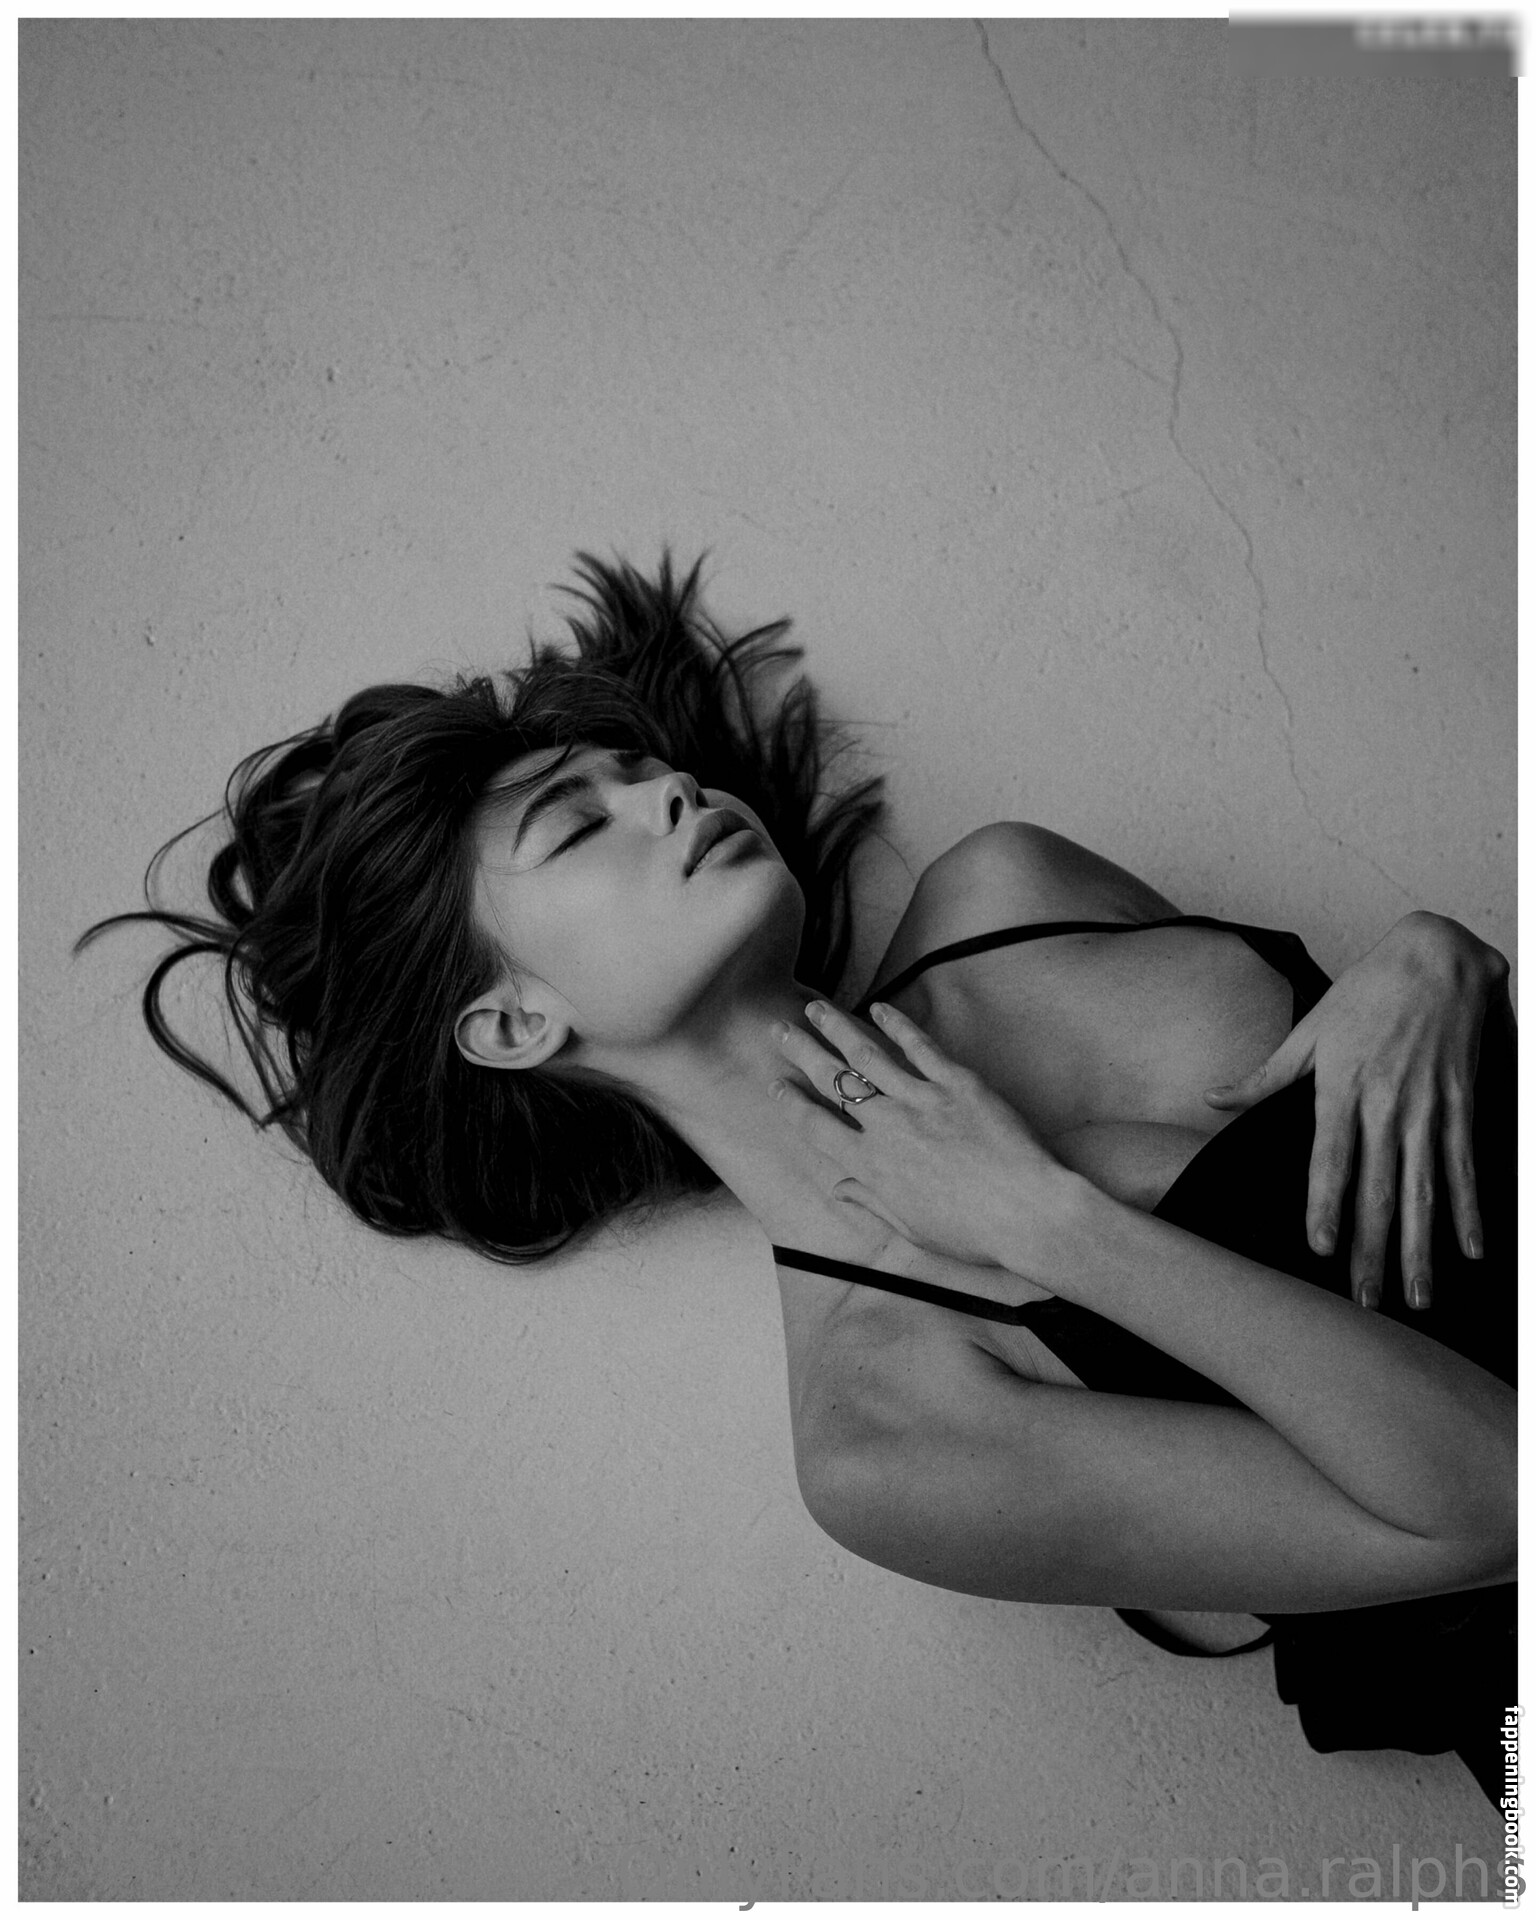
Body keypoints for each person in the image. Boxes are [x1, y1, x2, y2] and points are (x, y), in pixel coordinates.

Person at [78, 551, 1515, 1807]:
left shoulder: (1009, 894)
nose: (668, 793)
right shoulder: (886, 1431)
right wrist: (1048, 1225)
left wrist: (1432, 956)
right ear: (513, 1024)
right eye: (580, 824)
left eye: (641, 772)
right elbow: (1493, 1509)